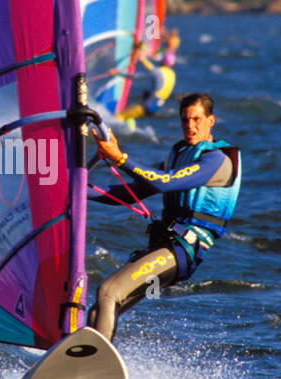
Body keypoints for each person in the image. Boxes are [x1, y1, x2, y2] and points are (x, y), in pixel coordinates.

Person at [88, 92, 241, 341]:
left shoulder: (217, 160)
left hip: (183, 251)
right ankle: (80, 363)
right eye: (184, 120)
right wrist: (77, 188)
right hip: (165, 246)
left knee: (108, 293)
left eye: (197, 119)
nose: (190, 126)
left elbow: (165, 183)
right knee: (99, 310)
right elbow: (128, 194)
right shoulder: (178, 156)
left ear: (211, 120)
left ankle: (91, 368)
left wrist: (120, 158)